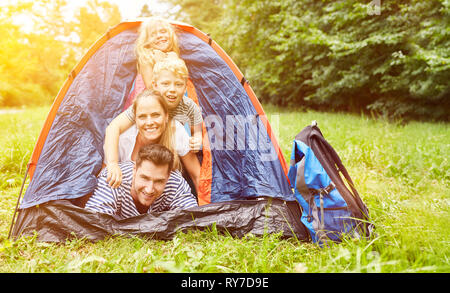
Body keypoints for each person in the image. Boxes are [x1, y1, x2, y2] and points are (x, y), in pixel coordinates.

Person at [103, 89, 201, 196]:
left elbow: (197, 176)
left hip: (163, 199)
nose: (149, 122)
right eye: (142, 117)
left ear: (166, 116)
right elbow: (104, 180)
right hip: (128, 201)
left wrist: (205, 210)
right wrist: (112, 165)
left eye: (155, 115)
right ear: (135, 119)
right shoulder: (123, 139)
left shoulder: (176, 131)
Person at [85, 144, 198, 219]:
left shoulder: (175, 182)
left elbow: (192, 218)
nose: (149, 189)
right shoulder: (113, 180)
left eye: (159, 181)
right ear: (135, 170)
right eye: (145, 178)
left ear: (168, 176)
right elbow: (94, 221)